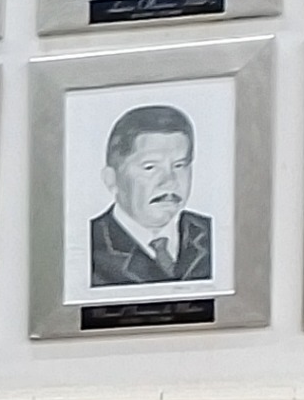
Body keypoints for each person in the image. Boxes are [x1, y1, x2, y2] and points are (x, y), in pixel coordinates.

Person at [85, 103, 214, 287]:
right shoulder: (89, 247)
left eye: (179, 165)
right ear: (111, 179)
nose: (169, 181)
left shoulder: (211, 234)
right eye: (150, 167)